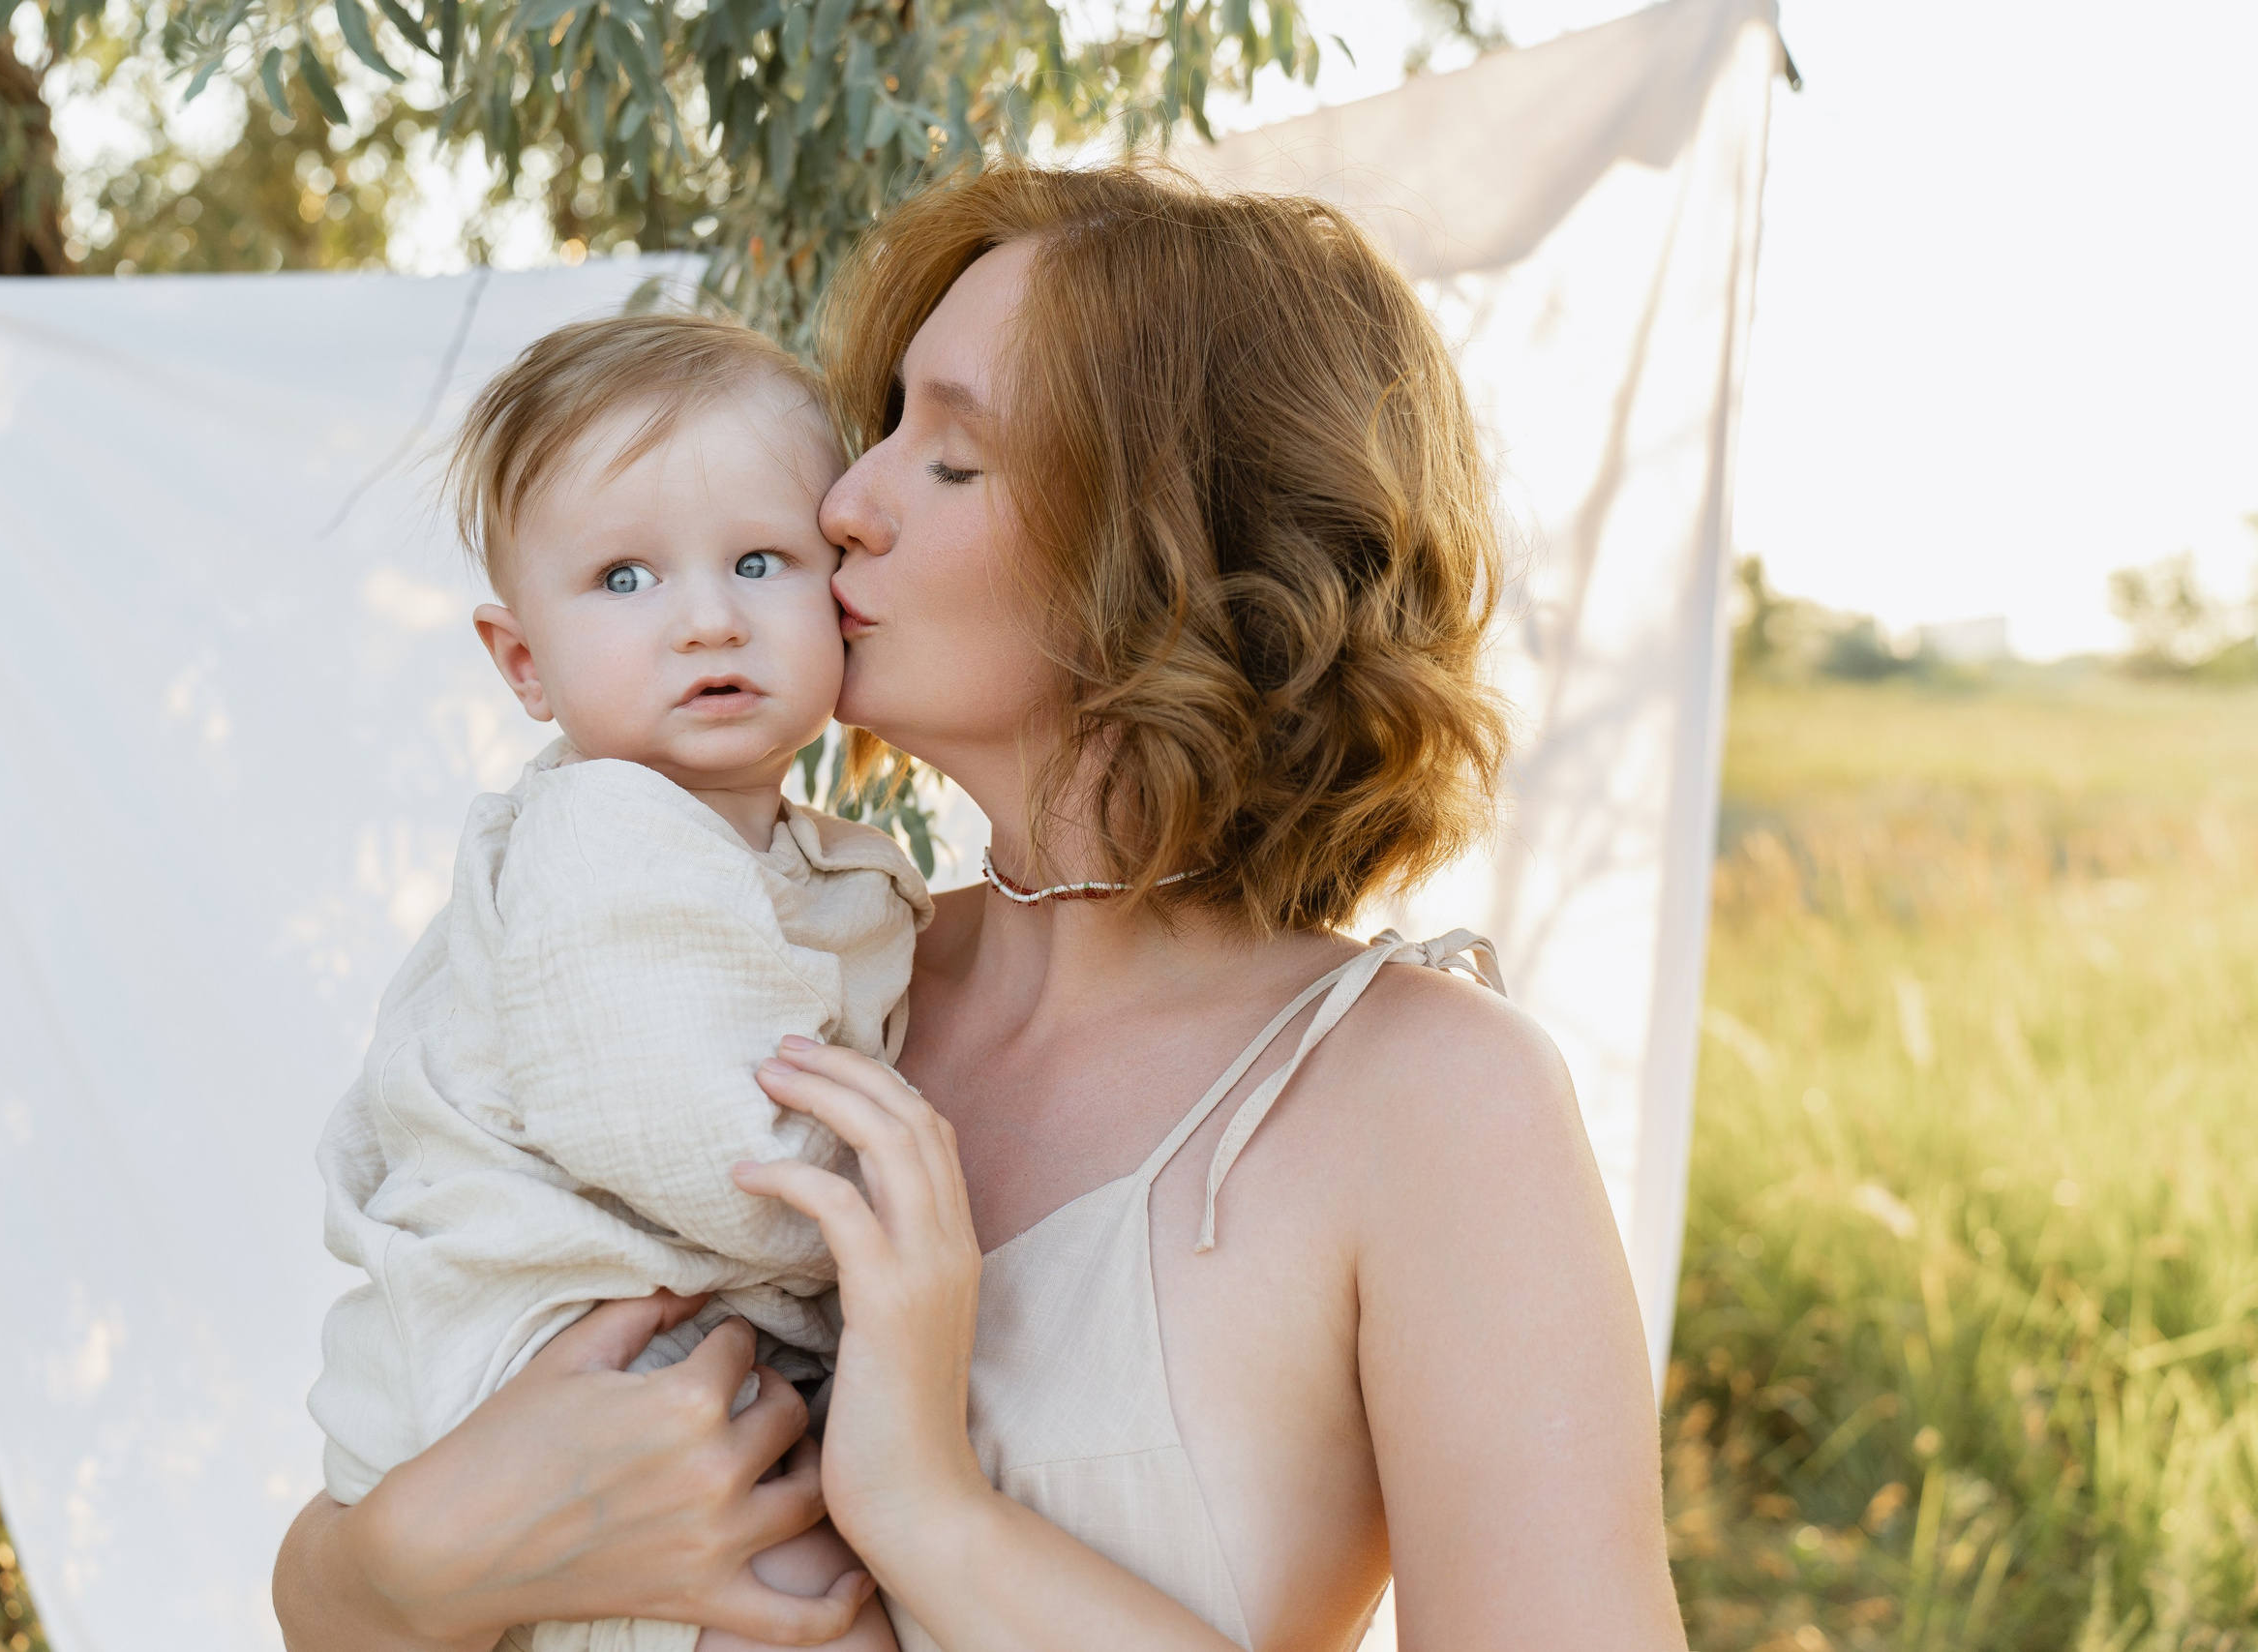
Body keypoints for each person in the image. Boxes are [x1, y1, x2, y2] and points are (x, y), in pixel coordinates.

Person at [276, 160, 1684, 1652]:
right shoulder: (783, 968)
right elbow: (330, 1587)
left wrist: (928, 1510)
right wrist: (412, 1560)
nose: (843, 502)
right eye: (882, 425)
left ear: (1173, 552)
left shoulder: (1432, 1099)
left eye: (949, 460)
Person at [308, 313, 918, 1652]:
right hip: (563, 1363)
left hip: (617, 1349)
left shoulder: (749, 849)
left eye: (759, 561)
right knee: (816, 1612)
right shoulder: (608, 839)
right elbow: (716, 1167)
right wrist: (893, 1200)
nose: (707, 619)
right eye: (624, 579)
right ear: (523, 662)